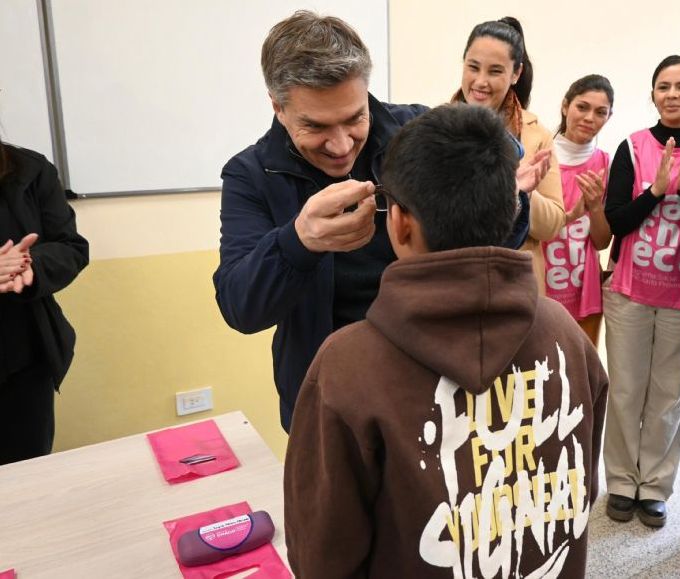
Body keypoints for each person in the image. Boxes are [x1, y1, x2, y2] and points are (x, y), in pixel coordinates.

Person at [284, 103, 608, 578]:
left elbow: (321, 557)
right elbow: (582, 487)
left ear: (399, 222)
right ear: (514, 206)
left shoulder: (345, 367)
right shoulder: (566, 334)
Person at [212, 11, 529, 432]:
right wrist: (298, 242)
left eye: (355, 118)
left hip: (434, 386)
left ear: (366, 90)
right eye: (315, 126)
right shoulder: (251, 175)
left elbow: (493, 221)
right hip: (328, 397)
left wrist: (512, 201)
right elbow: (241, 308)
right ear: (278, 107)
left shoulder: (413, 131)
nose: (341, 145)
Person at [602, 55, 680, 527]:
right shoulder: (633, 147)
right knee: (627, 390)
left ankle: (654, 486)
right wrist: (656, 190)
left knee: (668, 394)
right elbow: (617, 220)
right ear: (652, 94)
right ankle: (619, 481)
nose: (672, 94)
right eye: (663, 86)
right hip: (630, 291)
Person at [453, 17, 565, 293]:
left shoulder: (536, 134)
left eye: (495, 71)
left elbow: (552, 225)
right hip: (454, 278)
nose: (480, 81)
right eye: (473, 67)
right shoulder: (438, 126)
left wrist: (517, 184)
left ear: (515, 74)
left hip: (515, 286)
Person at [0, 137, 89, 465]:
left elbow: (71, 247)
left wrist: (30, 264)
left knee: (26, 480)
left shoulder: (30, 169)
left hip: (24, 358)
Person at [543, 75, 614, 346]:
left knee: (581, 375)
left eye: (600, 112)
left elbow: (601, 241)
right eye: (582, 107)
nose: (589, 118)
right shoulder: (540, 155)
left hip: (585, 290)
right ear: (565, 106)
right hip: (543, 284)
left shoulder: (605, 163)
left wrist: (595, 207)